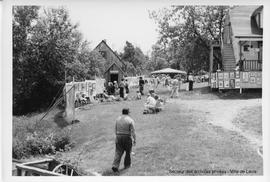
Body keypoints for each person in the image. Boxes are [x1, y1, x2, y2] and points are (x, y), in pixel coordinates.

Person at [112, 108, 136, 172]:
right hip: (127, 137)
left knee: (118, 152)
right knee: (128, 152)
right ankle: (127, 165)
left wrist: (117, 136)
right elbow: (133, 131)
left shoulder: (117, 119)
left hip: (118, 136)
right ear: (128, 112)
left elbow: (115, 129)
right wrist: (134, 139)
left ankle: (115, 165)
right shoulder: (130, 120)